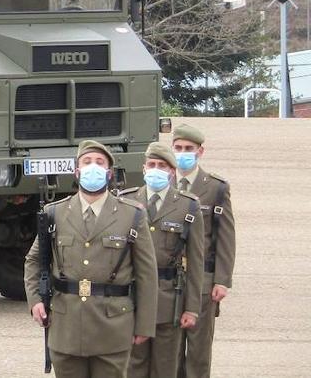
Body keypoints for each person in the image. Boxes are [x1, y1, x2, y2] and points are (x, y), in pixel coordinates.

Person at [24, 140, 157, 378]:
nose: (92, 167)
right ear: (77, 171)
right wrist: (35, 300)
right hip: (66, 327)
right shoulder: (54, 213)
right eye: (87, 162)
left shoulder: (132, 215)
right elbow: (34, 261)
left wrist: (145, 324)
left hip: (113, 327)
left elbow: (147, 274)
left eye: (99, 163)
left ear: (109, 173)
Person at [120, 142, 204, 378]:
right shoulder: (126, 202)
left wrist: (192, 308)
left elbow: (196, 262)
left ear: (172, 171)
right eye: (152, 164)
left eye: (163, 165)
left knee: (165, 367)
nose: (156, 169)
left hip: (169, 300)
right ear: (144, 168)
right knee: (133, 367)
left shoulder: (188, 206)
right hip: (133, 298)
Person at [171, 124, 235, 378]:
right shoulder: (162, 184)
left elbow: (225, 237)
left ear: (201, 151)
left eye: (189, 149)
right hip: (169, 283)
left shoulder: (215, 188)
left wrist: (221, 280)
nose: (183, 153)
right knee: (170, 350)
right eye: (178, 148)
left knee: (198, 352)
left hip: (203, 282)